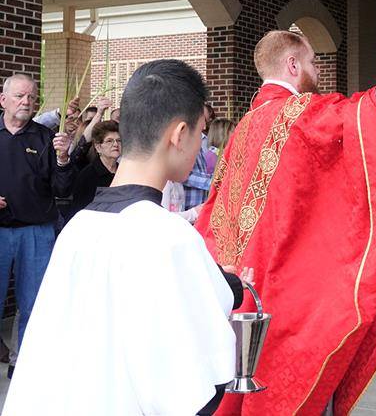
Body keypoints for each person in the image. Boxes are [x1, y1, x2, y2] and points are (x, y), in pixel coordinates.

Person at [194, 24, 376, 415]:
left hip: (240, 291)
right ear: (292, 65)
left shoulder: (243, 127)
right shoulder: (295, 113)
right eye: (313, 61)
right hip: (286, 292)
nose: (319, 70)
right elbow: (369, 120)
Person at [3, 60, 251, 415]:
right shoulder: (168, 235)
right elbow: (193, 379)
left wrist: (219, 283)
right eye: (201, 132)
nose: (202, 144)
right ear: (179, 134)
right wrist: (226, 286)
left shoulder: (78, 228)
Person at [0, 74, 74, 374]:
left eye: (31, 97)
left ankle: (25, 365)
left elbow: (62, 189)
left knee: (34, 303)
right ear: (3, 99)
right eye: (19, 96)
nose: (26, 102)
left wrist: (64, 158)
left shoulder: (44, 138)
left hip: (37, 232)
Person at [67, 120, 121, 221]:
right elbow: (79, 211)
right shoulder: (87, 176)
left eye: (119, 140)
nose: (115, 144)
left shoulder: (124, 173)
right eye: (109, 141)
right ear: (98, 147)